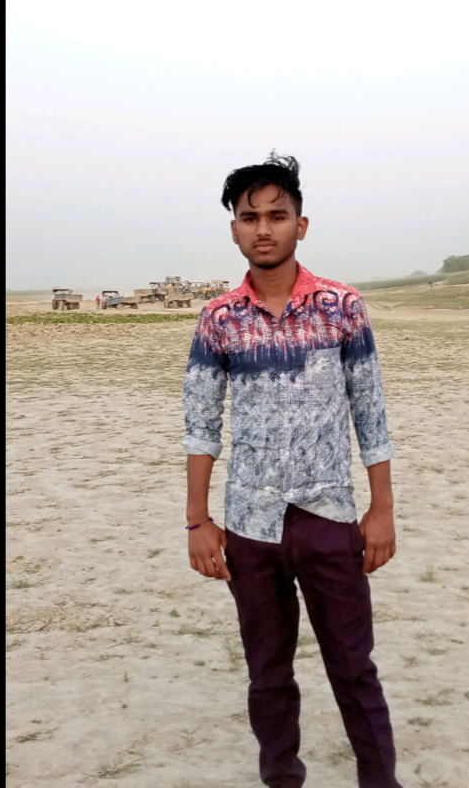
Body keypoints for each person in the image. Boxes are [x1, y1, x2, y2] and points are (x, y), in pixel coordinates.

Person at [182, 151, 404, 788]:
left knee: (354, 668)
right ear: (234, 229)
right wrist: (198, 521)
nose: (264, 228)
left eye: (277, 215)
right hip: (251, 526)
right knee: (268, 673)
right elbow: (201, 425)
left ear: (300, 225)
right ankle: (281, 776)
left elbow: (370, 411)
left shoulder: (342, 306)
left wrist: (382, 509)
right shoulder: (218, 319)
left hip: (330, 517)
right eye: (250, 217)